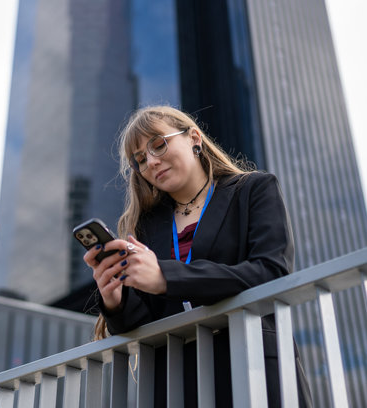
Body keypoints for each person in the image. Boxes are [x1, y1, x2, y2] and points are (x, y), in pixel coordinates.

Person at [83, 105, 312, 407]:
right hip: (177, 384)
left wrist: (166, 277)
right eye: (140, 159)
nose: (151, 161)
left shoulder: (253, 189)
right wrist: (115, 300)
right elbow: (141, 325)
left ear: (194, 138)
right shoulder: (147, 226)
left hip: (255, 369)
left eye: (158, 144)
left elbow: (272, 272)